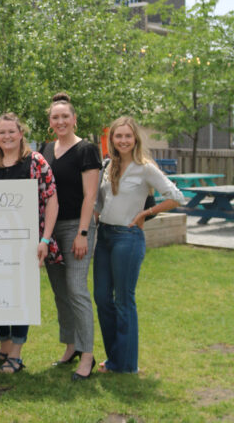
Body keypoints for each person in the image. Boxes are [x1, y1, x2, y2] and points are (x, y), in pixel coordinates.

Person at [94, 116, 183, 374]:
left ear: (135, 139)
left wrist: (146, 213)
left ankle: (127, 365)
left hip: (127, 238)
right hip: (105, 237)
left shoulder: (146, 168)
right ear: (111, 139)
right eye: (117, 136)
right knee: (102, 298)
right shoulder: (108, 165)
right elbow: (101, 202)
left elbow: (176, 196)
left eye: (127, 136)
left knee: (123, 301)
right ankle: (114, 359)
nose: (122, 140)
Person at [0, 113, 61, 373]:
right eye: (2, 133)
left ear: (21, 133)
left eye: (11, 132)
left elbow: (52, 200)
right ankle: (3, 347)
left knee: (20, 296)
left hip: (26, 242)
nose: (7, 137)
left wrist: (45, 239)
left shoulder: (36, 162)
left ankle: (16, 353)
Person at [40, 92, 101, 380]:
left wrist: (83, 233)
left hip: (77, 226)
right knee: (60, 292)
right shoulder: (46, 150)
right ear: (50, 122)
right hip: (50, 230)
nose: (61, 121)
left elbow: (91, 195)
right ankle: (71, 346)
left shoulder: (86, 149)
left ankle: (87, 355)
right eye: (56, 117)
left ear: (75, 119)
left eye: (66, 116)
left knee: (77, 289)